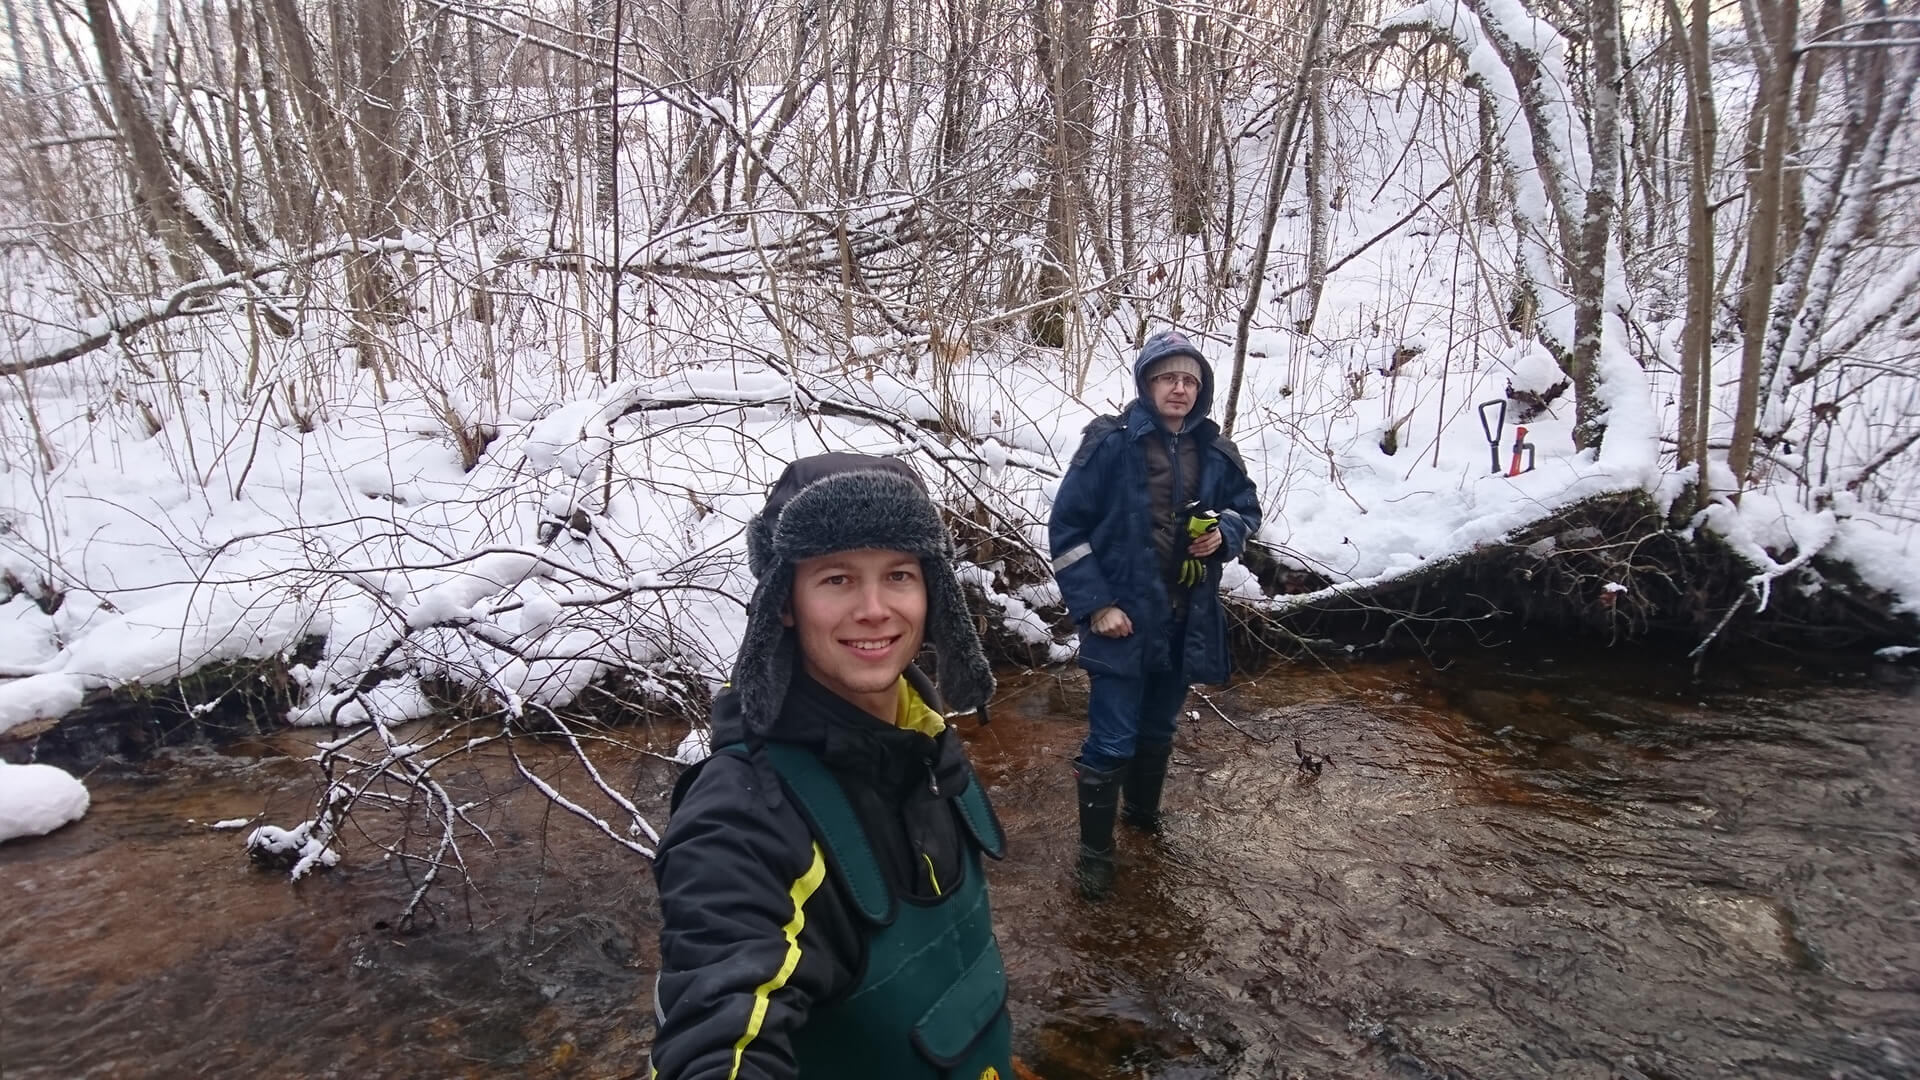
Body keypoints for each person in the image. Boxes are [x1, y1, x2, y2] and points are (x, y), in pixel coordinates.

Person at [649, 453, 1014, 1080]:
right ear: (783, 604)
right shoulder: (742, 820)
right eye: (837, 578)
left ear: (932, 592)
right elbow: (713, 1036)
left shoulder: (921, 739)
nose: (874, 609)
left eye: (898, 574)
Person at [1047, 330, 1263, 898]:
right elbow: (1066, 530)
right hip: (1120, 622)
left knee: (1159, 730)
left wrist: (1226, 533)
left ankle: (1142, 822)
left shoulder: (1216, 451)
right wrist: (1096, 606)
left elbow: (1247, 508)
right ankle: (1095, 854)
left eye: (1190, 379)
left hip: (1185, 619)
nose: (1180, 389)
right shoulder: (1109, 444)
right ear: (1146, 383)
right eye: (1168, 377)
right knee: (1112, 741)